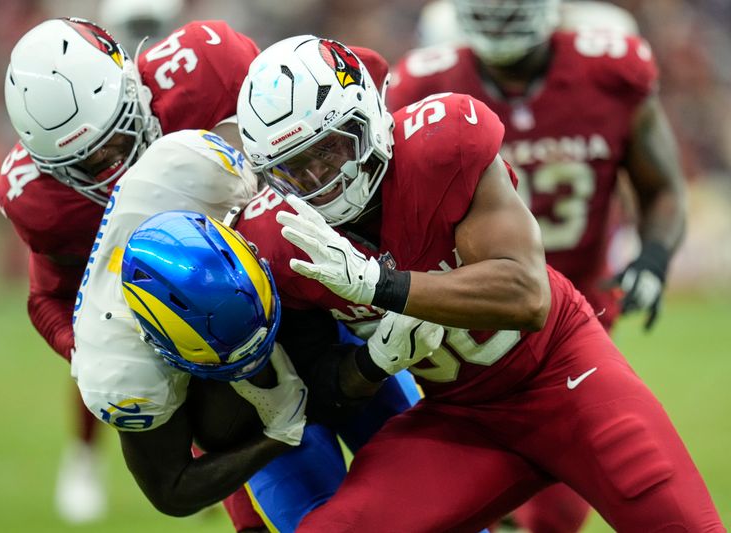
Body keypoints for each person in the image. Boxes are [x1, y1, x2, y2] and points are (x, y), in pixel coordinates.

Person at [232, 35, 723, 531]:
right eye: (295, 169)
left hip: (567, 377)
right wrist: (372, 361)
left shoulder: (442, 145)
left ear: (369, 118)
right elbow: (320, 387)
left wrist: (378, 284)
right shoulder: (276, 236)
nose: (322, 177)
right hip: (460, 417)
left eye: (332, 148)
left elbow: (525, 293)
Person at [386, 1, 688, 529]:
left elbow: (662, 187)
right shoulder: (422, 87)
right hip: (465, 315)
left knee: (553, 514)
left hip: (577, 318)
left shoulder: (609, 72)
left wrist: (654, 258)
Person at [70, 128, 424, 532]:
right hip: (240, 411)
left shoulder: (194, 169)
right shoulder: (123, 372)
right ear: (165, 351)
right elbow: (171, 490)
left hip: (300, 313)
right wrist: (274, 437)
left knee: (425, 485)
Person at [0, 16, 260, 525]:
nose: (114, 169)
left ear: (132, 90)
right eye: (88, 166)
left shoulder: (207, 68)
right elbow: (46, 297)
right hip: (197, 338)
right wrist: (91, 347)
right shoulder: (40, 200)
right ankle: (85, 459)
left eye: (118, 143)